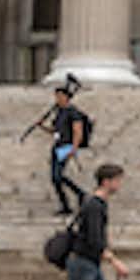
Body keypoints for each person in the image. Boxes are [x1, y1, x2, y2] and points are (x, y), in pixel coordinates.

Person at [23, 78, 93, 218]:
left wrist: (74, 147)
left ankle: (78, 196)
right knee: (56, 178)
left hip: (66, 146)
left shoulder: (73, 112)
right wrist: (42, 126)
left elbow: (77, 131)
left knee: (57, 176)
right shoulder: (60, 112)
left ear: (66, 97)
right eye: (56, 96)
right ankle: (72, 200)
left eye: (60, 96)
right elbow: (55, 131)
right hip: (57, 146)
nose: (57, 99)